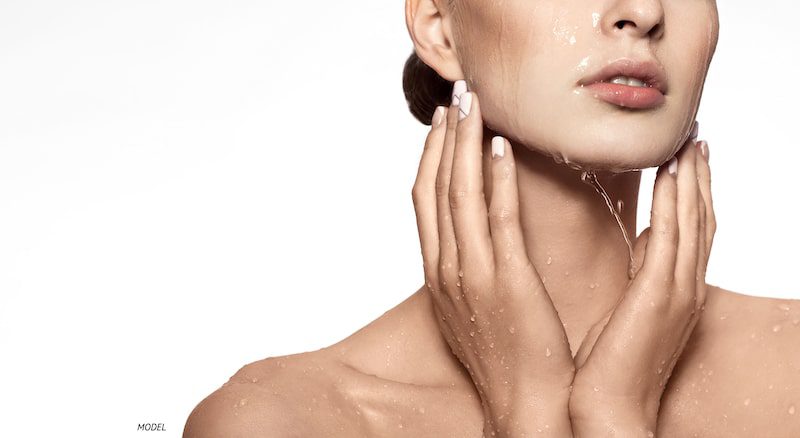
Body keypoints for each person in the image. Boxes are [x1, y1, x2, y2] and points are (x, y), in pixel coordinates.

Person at [183, 0, 800, 436]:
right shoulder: (286, 422)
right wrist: (527, 415)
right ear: (440, 31)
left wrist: (614, 416)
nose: (641, 10)